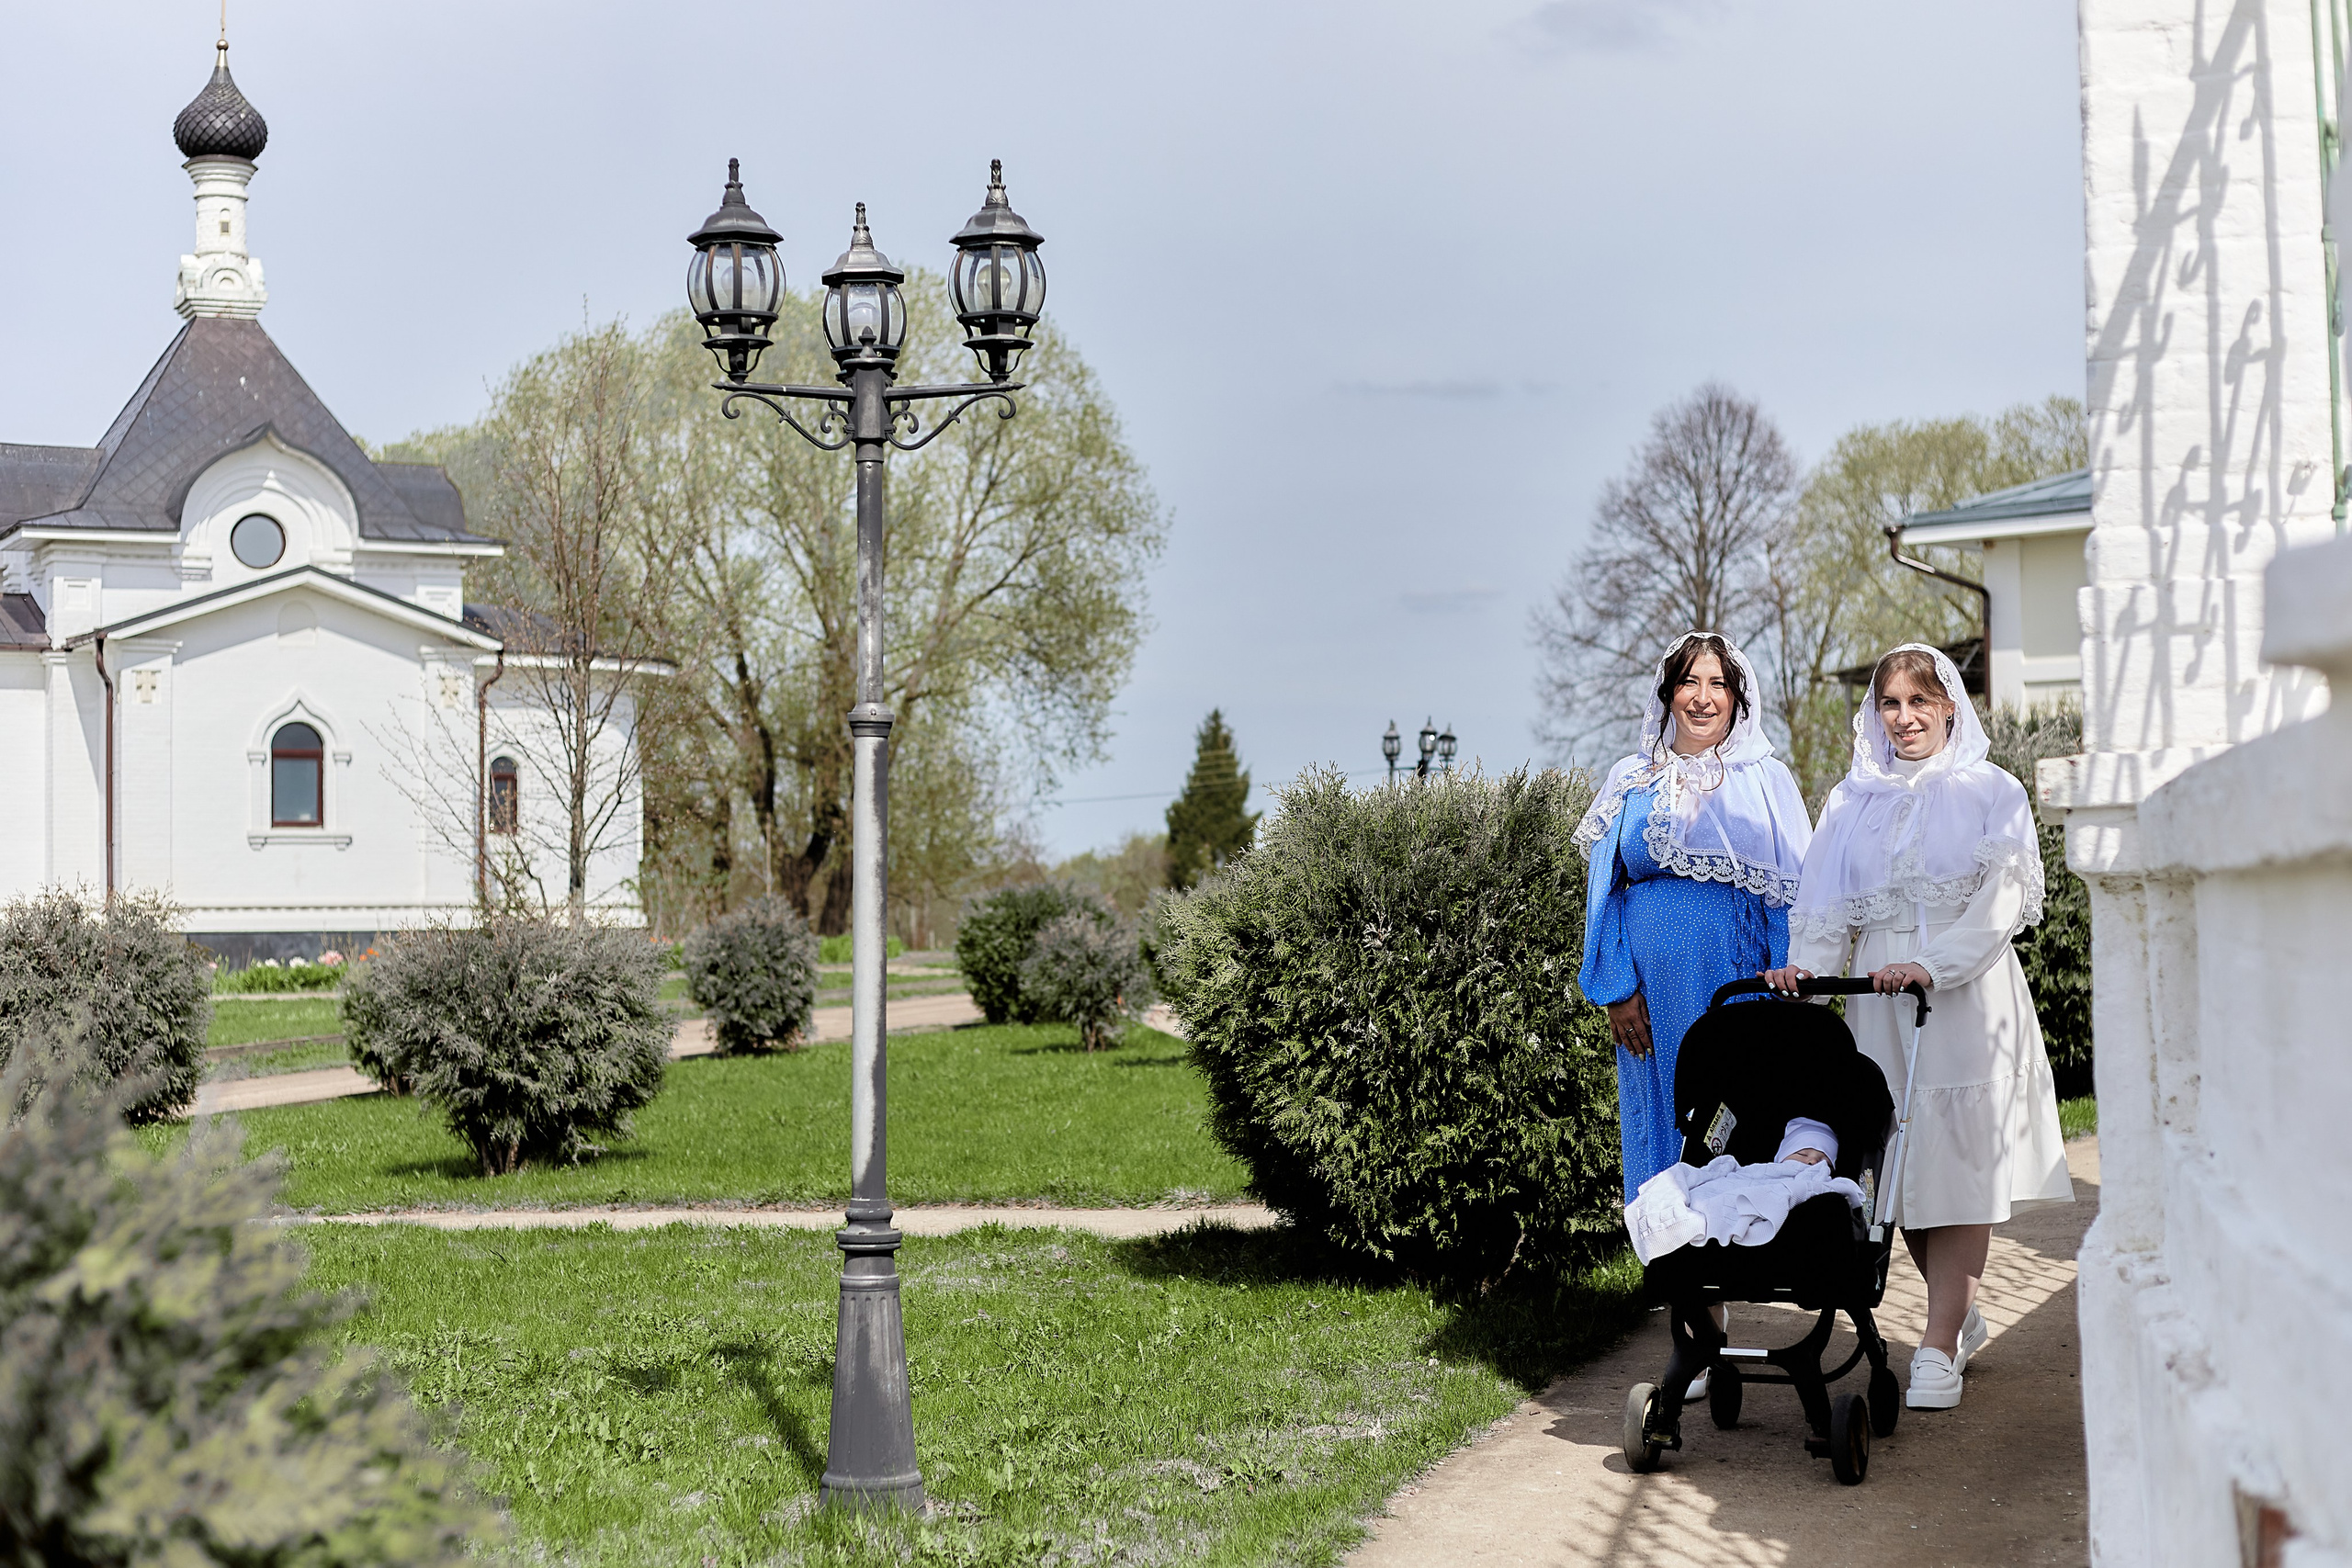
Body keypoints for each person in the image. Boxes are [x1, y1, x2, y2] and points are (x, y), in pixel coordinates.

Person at [1762, 643, 2073, 1411]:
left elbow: (1998, 906)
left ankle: (1936, 1343)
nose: (1904, 719)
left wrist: (1935, 963)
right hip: (1877, 1001)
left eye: (1919, 703)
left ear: (1949, 707)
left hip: (1963, 996)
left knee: (1958, 1169)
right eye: (1890, 705)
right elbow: (1826, 907)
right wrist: (1805, 969)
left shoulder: (1993, 792)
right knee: (1896, 1168)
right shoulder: (1849, 801)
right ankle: (1959, 1313)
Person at [1576, 631, 1814, 1201]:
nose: (1703, 698)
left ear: (1738, 698)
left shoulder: (1765, 779)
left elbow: (1791, 892)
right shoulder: (1631, 778)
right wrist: (1614, 987)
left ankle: (1727, 1266)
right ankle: (1672, 1273)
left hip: (1734, 987)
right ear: (1668, 694)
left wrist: (1785, 983)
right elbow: (1602, 891)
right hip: (1648, 997)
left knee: (1730, 1115)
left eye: (1718, 684)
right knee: (1658, 1117)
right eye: (1689, 682)